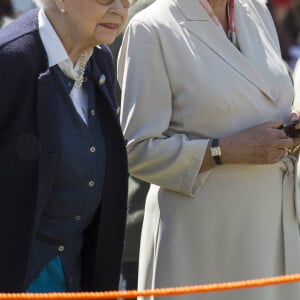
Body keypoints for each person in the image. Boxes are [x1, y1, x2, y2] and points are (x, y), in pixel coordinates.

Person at [117, 0, 300, 299]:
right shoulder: (151, 27)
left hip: (269, 228)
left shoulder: (256, 10)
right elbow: (138, 150)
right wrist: (220, 151)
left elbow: (266, 98)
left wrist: (290, 125)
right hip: (201, 237)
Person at [0, 0, 128, 293]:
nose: (120, 10)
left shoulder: (101, 60)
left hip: (76, 279)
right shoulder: (8, 60)